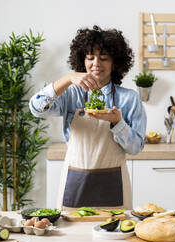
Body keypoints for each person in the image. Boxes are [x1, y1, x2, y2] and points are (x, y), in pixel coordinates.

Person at [29, 25, 147, 210]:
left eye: (104, 58)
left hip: (113, 183)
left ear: (115, 62)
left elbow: (135, 148)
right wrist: (66, 79)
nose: (96, 64)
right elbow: (37, 109)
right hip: (75, 182)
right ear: (82, 61)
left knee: (114, 234)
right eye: (90, 58)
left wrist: (117, 122)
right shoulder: (70, 94)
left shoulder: (129, 98)